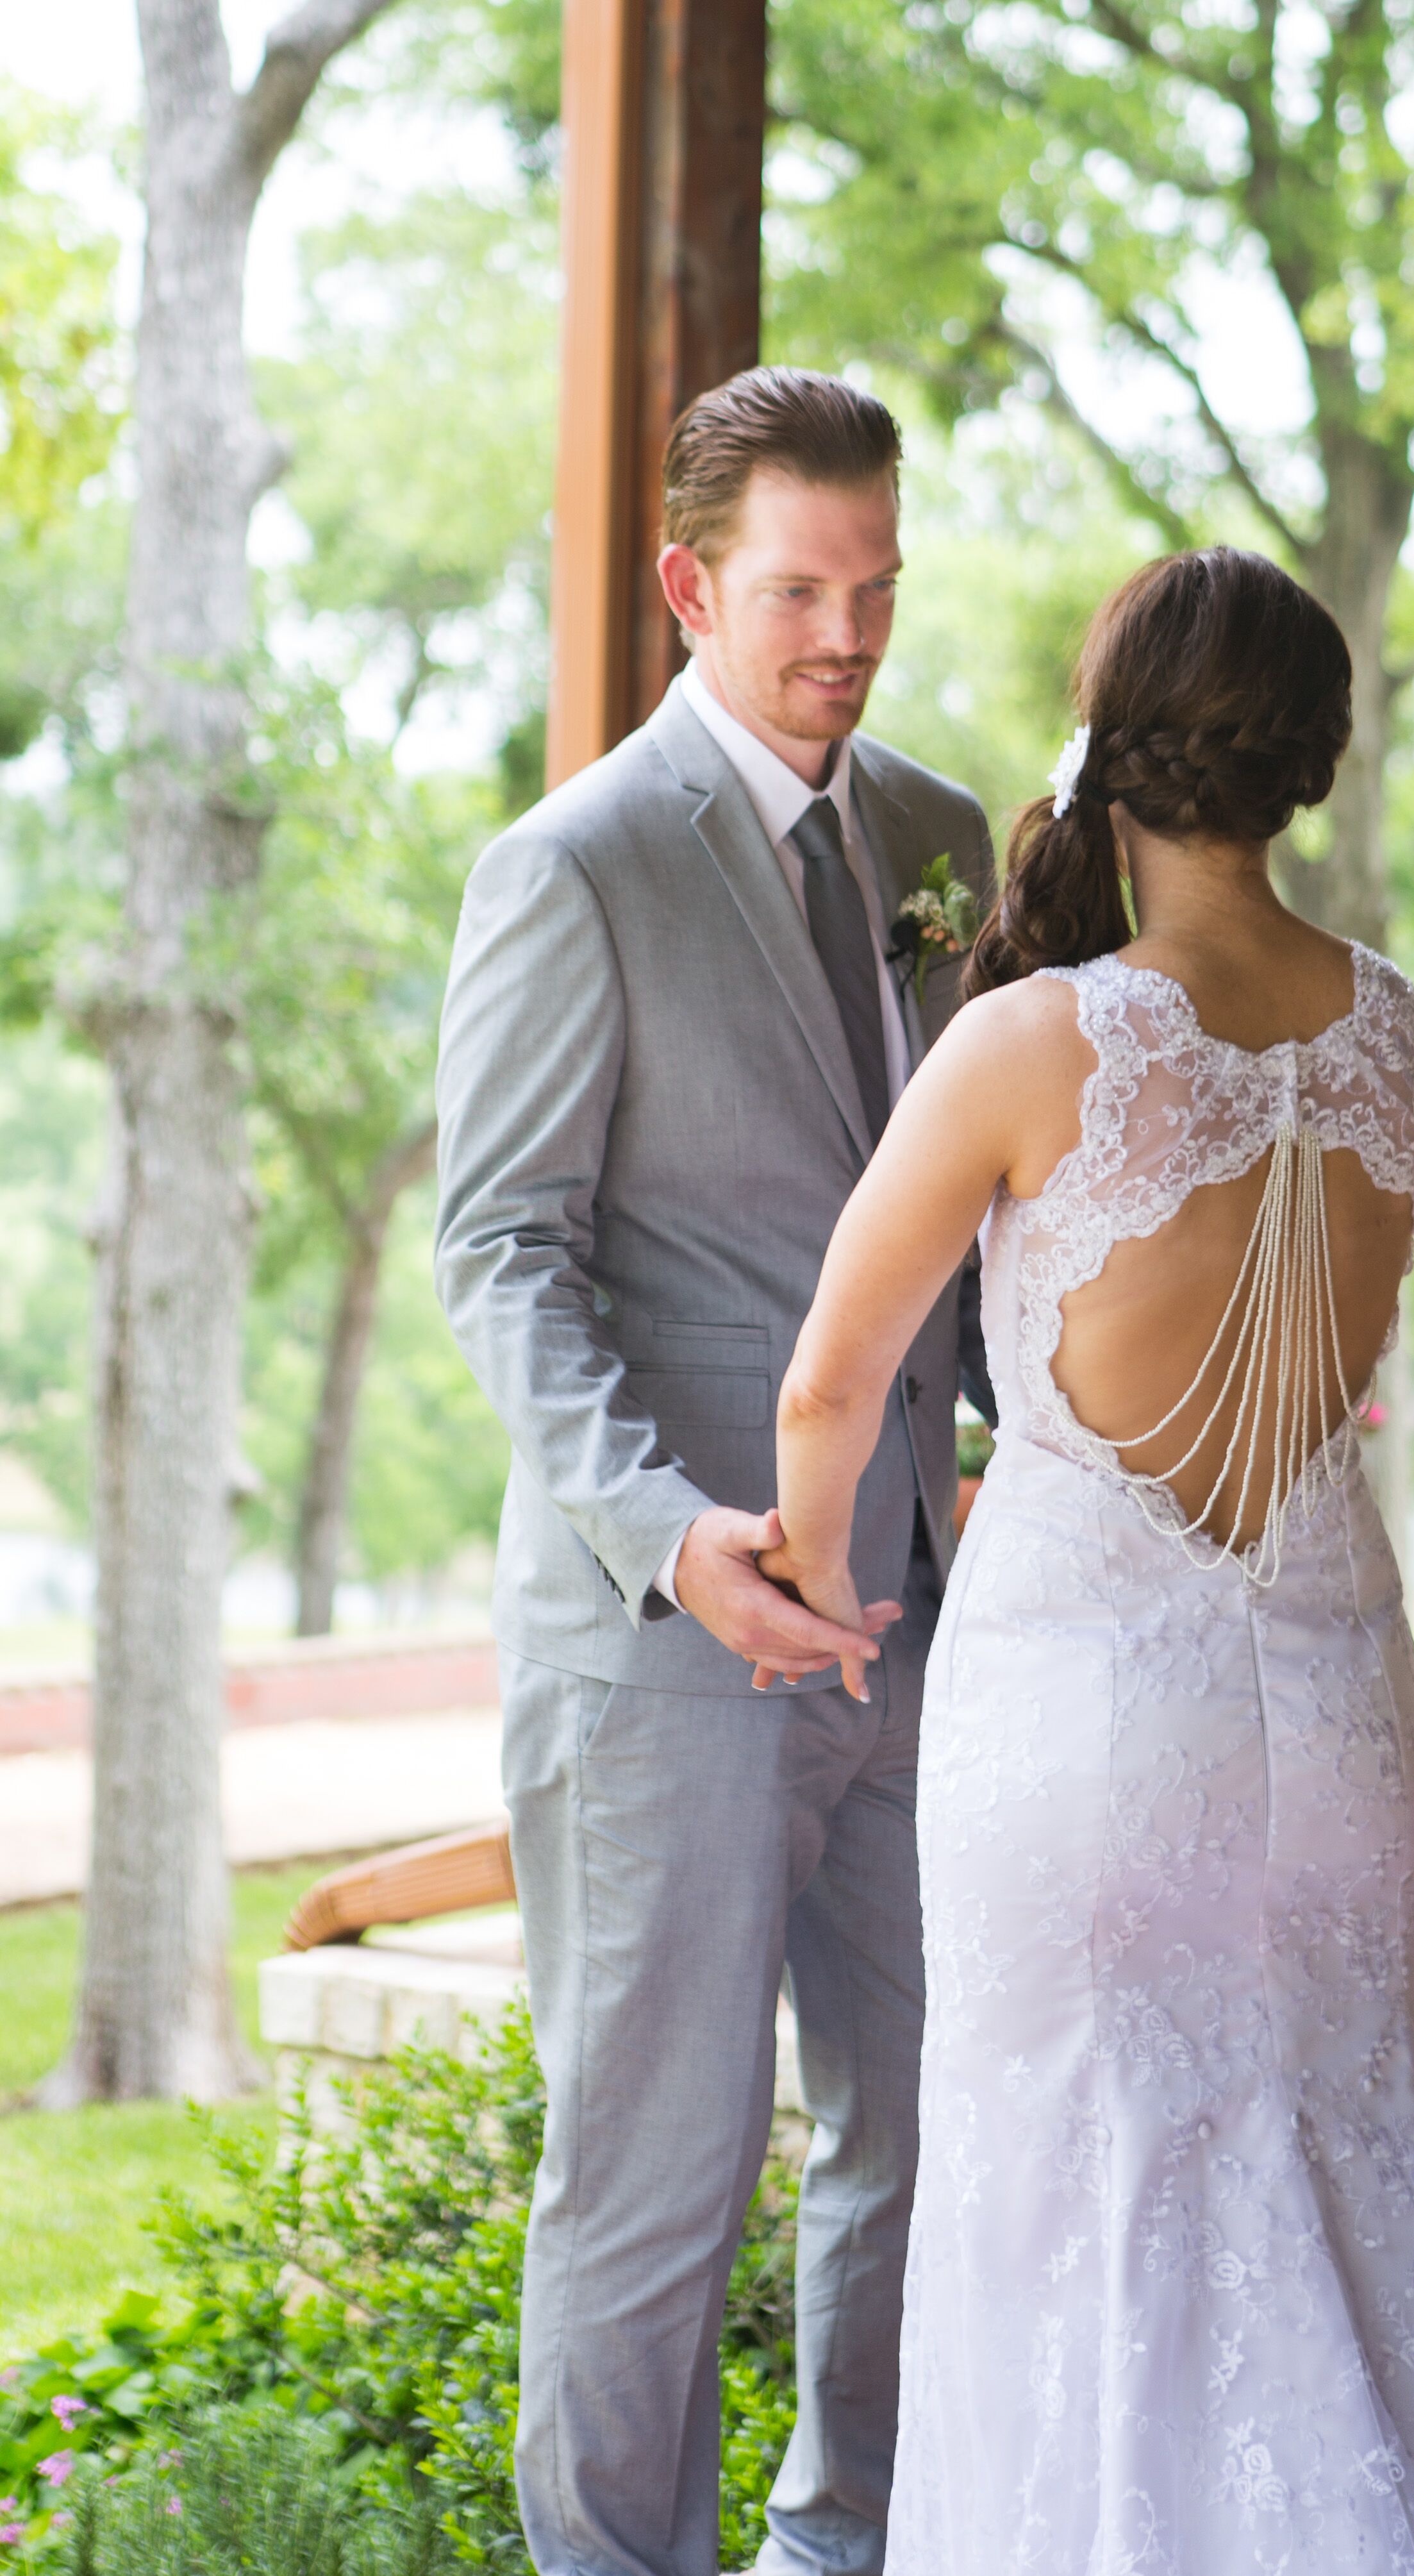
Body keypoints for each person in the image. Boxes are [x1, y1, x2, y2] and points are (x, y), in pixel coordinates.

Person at [760, 549, 1414, 2573]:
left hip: (1084, 1738)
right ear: (1308, 760)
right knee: (1344, 2209)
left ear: (1118, 743)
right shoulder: (1394, 1034)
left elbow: (832, 1387)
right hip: (1339, 1720)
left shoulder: (1035, 1044)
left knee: (1082, 2224)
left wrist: (811, 1593)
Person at [434, 369, 992, 2576]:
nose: (845, 633)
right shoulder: (570, 867)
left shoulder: (946, 843)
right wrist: (674, 1540)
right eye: (796, 590)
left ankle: (846, 2543)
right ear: (690, 586)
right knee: (656, 2186)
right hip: (664, 1649)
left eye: (873, 584)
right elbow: (502, 1252)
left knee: (921, 2139)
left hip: (929, 1629)